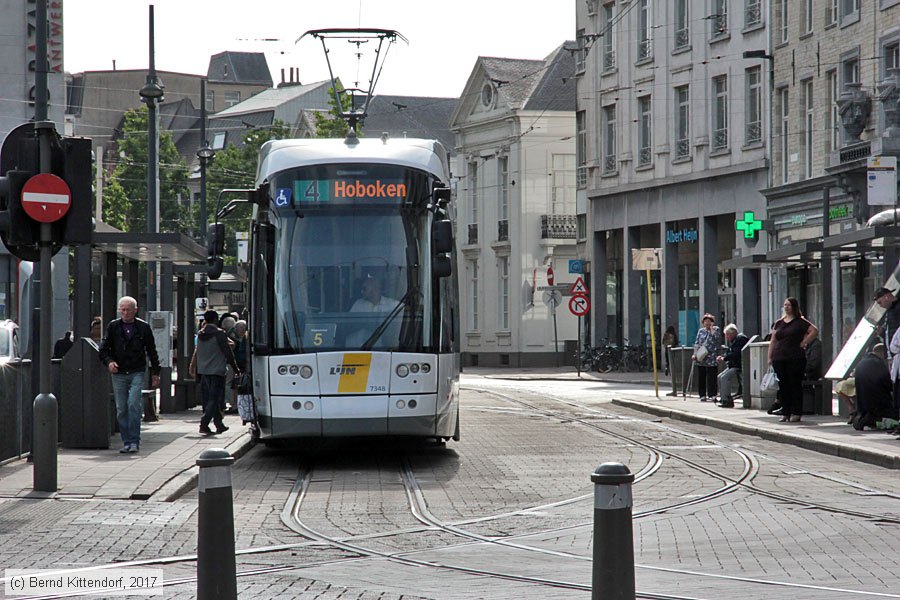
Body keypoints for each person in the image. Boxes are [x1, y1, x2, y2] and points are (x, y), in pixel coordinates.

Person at [98, 296, 161, 453]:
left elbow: (152, 351)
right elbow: (104, 349)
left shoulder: (143, 328)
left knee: (133, 403)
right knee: (121, 408)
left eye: (128, 310)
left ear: (135, 310)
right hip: (119, 371)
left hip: (137, 370)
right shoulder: (113, 327)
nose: (125, 313)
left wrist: (155, 372)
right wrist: (109, 362)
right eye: (122, 309)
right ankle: (126, 441)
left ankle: (134, 440)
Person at [768, 297, 818, 423]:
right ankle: (785, 412)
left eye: (789, 305)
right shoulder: (779, 322)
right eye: (785, 305)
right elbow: (773, 340)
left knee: (794, 384)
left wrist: (804, 342)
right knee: (783, 386)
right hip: (779, 357)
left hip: (795, 357)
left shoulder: (800, 322)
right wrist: (770, 357)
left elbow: (814, 331)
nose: (786, 307)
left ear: (794, 307)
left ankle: (796, 412)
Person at [190, 310, 240, 435]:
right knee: (215, 398)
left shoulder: (200, 334)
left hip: (204, 371)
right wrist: (236, 368)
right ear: (215, 319)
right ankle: (204, 423)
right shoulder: (219, 334)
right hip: (217, 370)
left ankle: (219, 424)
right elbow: (227, 352)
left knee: (213, 398)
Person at [851, 344, 898, 430]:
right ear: (881, 353)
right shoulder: (878, 363)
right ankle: (869, 420)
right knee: (895, 415)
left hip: (862, 405)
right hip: (877, 404)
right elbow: (888, 384)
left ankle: (862, 418)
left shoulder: (862, 362)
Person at [716, 324, 749, 408]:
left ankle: (727, 400)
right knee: (720, 376)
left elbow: (736, 354)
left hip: (738, 364)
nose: (726, 337)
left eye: (727, 334)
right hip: (733, 364)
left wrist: (724, 358)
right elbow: (729, 351)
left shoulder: (740, 339)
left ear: (733, 333)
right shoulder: (735, 341)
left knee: (724, 378)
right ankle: (723, 398)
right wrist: (723, 356)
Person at [692, 313, 721, 402]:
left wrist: (711, 329)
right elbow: (697, 343)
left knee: (712, 376)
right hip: (702, 356)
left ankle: (712, 394)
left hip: (712, 356)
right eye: (706, 321)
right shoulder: (701, 331)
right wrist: (695, 354)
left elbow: (717, 338)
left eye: (709, 321)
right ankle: (702, 394)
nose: (707, 323)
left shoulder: (716, 329)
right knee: (702, 376)